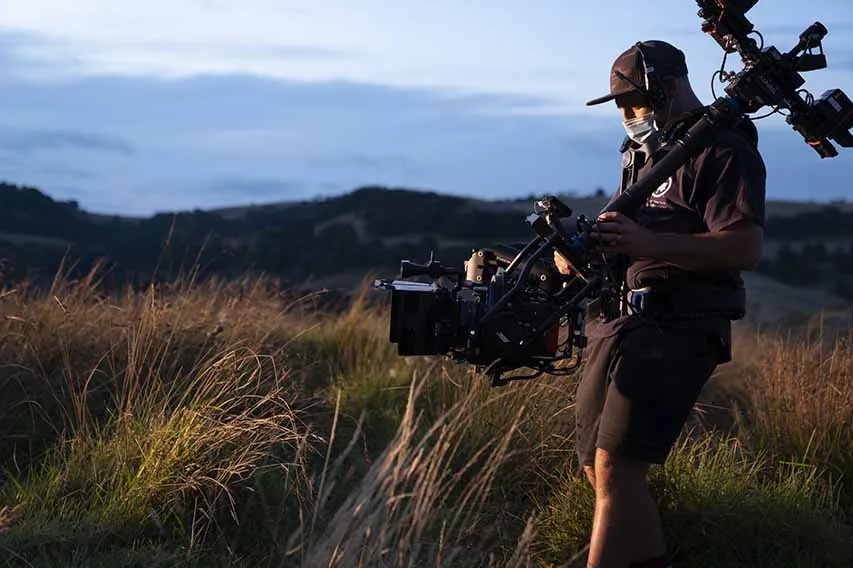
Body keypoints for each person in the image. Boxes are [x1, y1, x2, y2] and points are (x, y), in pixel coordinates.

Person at [553, 40, 766, 568]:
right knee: (595, 465)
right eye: (622, 108)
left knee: (616, 466)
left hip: (680, 321)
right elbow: (628, 234)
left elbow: (743, 247)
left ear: (669, 89)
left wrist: (650, 246)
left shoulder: (725, 149)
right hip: (622, 320)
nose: (628, 118)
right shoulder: (644, 156)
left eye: (636, 104)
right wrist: (579, 251)